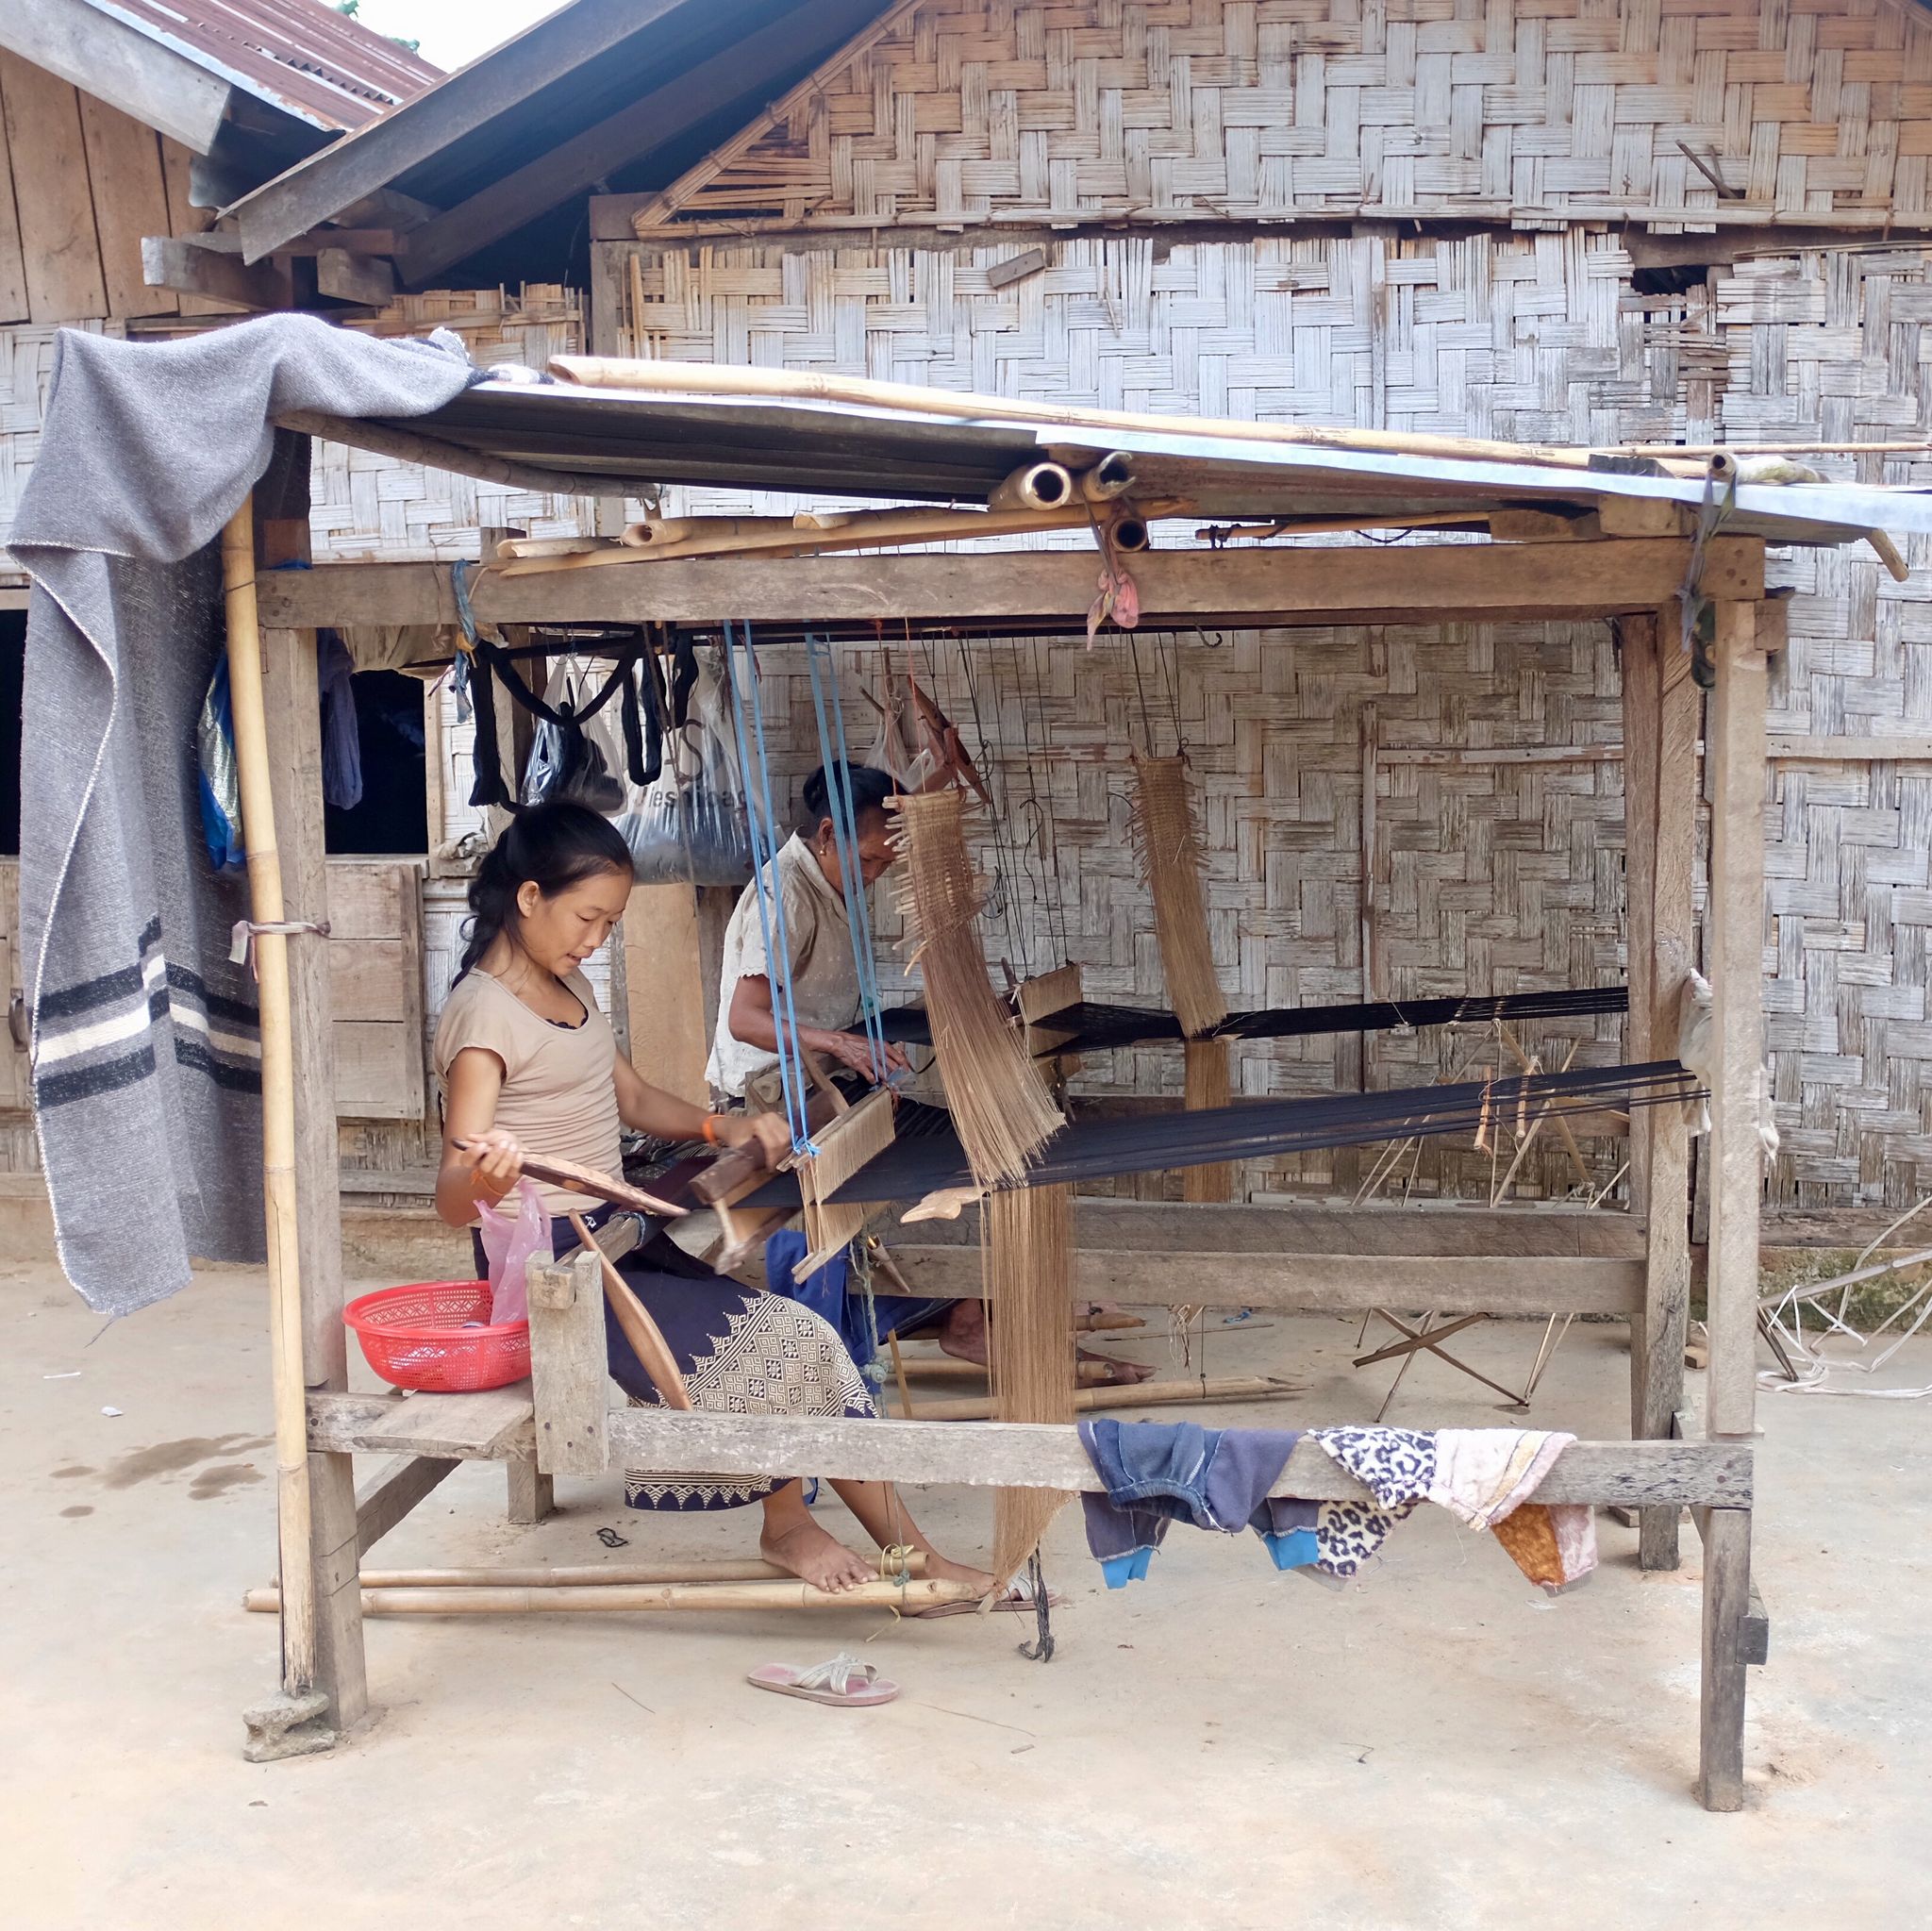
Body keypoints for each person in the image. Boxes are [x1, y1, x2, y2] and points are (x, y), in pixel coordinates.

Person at [433, 799, 996, 1598]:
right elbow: (452, 1196)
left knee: (803, 1341)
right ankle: (823, 1534)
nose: (598, 938)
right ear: (529, 897)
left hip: (616, 1238)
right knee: (784, 1342)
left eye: (611, 922)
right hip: (560, 1274)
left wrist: (719, 1125)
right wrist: (487, 1180)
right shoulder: (484, 1016)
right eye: (588, 918)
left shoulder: (569, 983)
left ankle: (858, 1540)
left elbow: (629, 1094)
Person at [710, 762, 1151, 1386]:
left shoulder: (831, 876)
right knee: (853, 1199)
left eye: (884, 863)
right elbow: (745, 1019)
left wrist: (941, 771)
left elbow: (892, 820)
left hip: (827, 1081)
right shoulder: (783, 897)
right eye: (870, 860)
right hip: (776, 1097)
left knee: (980, 1152)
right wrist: (841, 1042)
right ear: (829, 834)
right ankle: (834, 1357)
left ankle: (965, 1314)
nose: (875, 875)